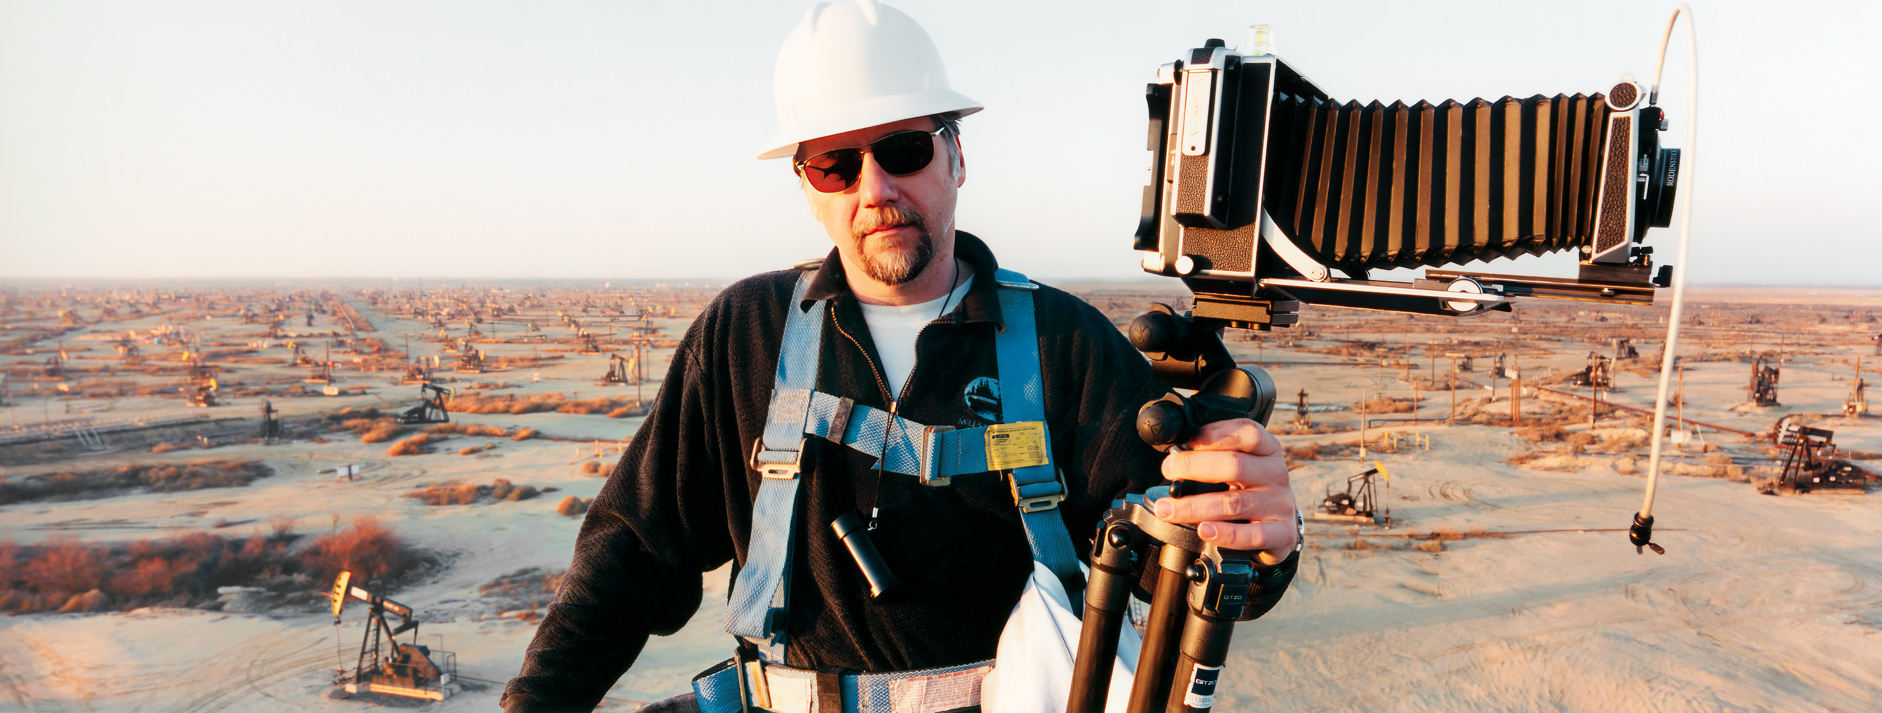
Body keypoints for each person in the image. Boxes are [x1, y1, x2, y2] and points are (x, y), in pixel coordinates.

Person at [501, 2, 1300, 711]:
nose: (874, 187)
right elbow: (630, 559)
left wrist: (1264, 537)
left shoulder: (1066, 345)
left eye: (903, 149)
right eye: (835, 165)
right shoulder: (745, 334)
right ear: (808, 188)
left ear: (956, 157)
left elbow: (1200, 550)